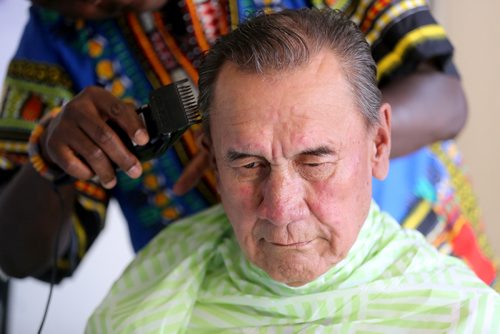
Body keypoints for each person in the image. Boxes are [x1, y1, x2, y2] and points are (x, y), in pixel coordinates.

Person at [0, 0, 496, 289]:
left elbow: (444, 98)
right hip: (225, 308)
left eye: (317, 158)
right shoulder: (54, 35)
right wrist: (50, 158)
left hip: (409, 259)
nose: (282, 205)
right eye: (242, 161)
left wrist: (314, 139)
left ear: (380, 139)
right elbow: (22, 254)